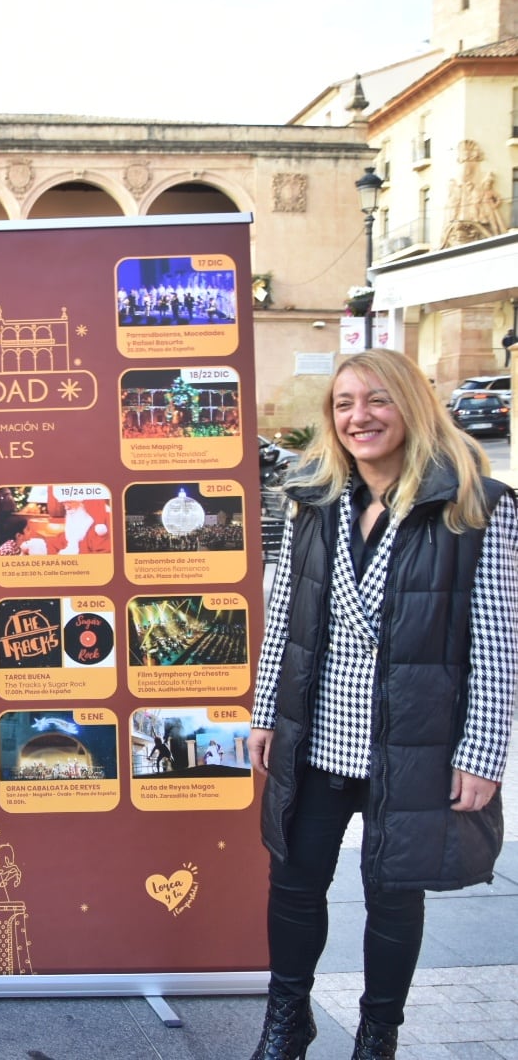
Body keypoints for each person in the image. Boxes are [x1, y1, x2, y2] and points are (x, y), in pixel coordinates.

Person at [248, 349, 516, 1060]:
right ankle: (287, 1021)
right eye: (343, 404)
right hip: (320, 732)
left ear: (411, 406)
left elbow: (495, 644)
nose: (358, 416)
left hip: (414, 739)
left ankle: (377, 1035)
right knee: (294, 881)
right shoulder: (315, 500)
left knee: (393, 892)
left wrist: (483, 753)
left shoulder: (477, 507)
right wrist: (264, 712)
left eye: (375, 400)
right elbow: (284, 616)